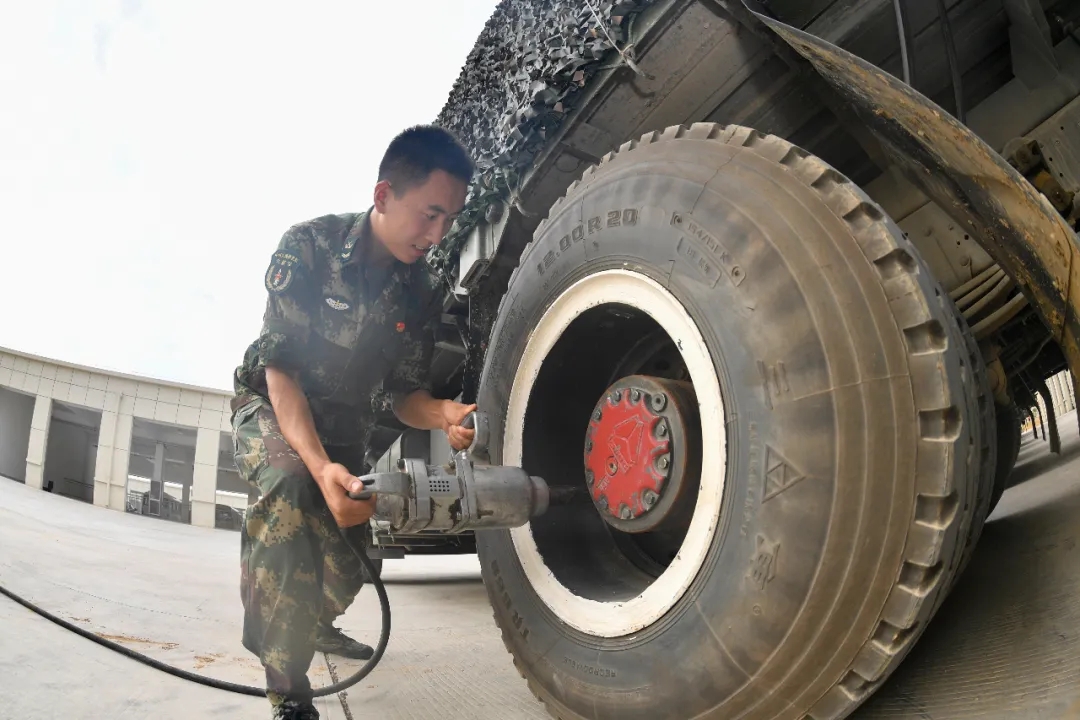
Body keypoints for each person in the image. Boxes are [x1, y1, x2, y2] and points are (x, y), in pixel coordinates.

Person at [229, 125, 477, 720]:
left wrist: (442, 412)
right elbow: (279, 373)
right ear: (385, 195)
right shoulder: (309, 247)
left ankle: (309, 622)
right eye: (429, 214)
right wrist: (317, 468)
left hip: (346, 431)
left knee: (352, 562)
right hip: (273, 412)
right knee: (291, 498)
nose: (437, 234)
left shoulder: (421, 287)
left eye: (450, 220)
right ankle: (287, 688)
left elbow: (402, 393)